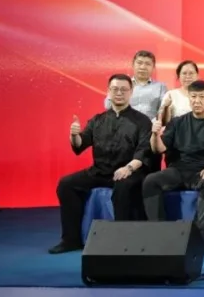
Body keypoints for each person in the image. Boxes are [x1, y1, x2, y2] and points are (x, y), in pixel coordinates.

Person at [50, 74, 152, 254]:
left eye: (123, 90)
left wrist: (128, 168)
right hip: (100, 171)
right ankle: (70, 240)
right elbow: (80, 145)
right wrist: (74, 135)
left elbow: (143, 151)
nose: (119, 93)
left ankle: (123, 242)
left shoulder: (142, 121)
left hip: (130, 171)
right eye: (115, 89)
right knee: (66, 184)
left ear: (131, 92)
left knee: (123, 186)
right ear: (108, 91)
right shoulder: (97, 120)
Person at [142, 80, 204, 246]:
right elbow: (159, 149)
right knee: (150, 181)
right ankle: (158, 231)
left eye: (201, 97)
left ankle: (198, 236)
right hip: (178, 170)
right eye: (193, 97)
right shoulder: (177, 122)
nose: (196, 101)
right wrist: (154, 135)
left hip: (203, 171)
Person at [107, 50, 167, 121]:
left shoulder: (161, 87)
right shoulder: (122, 84)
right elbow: (108, 105)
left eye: (147, 64)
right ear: (133, 64)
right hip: (124, 124)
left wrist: (154, 123)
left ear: (153, 67)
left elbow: (163, 111)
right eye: (139, 63)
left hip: (150, 125)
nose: (143, 67)